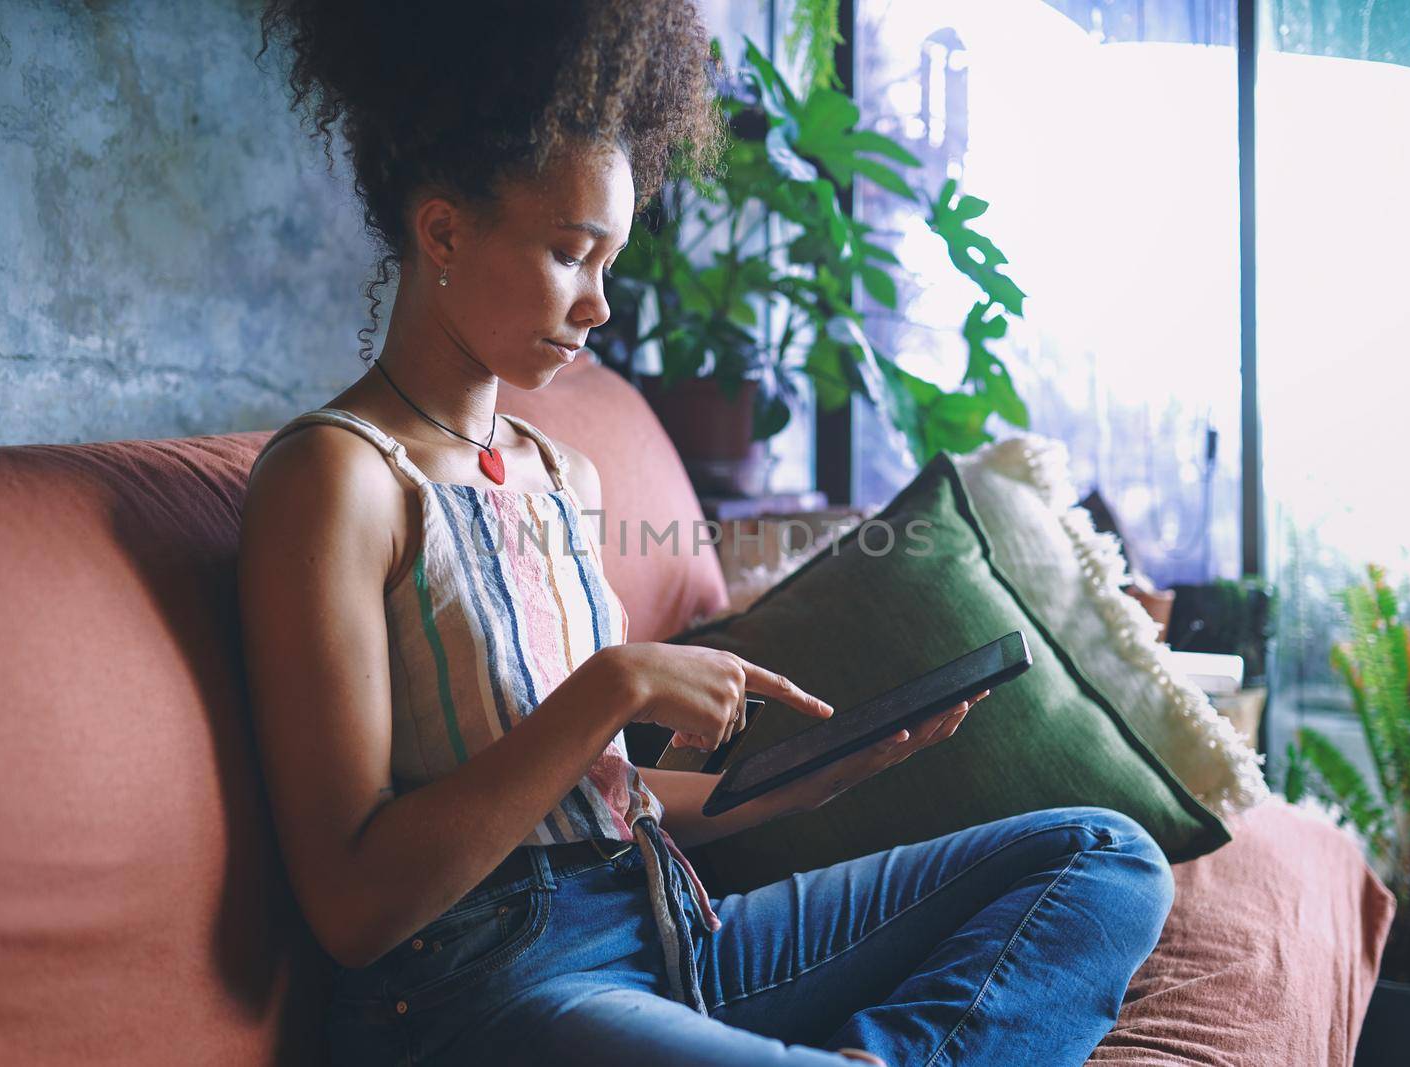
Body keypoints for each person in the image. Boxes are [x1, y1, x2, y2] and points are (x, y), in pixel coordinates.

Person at [238, 3, 1175, 1064]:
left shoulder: (563, 475)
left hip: (672, 939)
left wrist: (799, 783)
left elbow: (595, 808)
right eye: (568, 253)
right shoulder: (338, 479)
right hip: (485, 994)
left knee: (1102, 857)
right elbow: (355, 904)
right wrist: (616, 687)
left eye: (608, 263)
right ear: (443, 230)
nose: (598, 306)